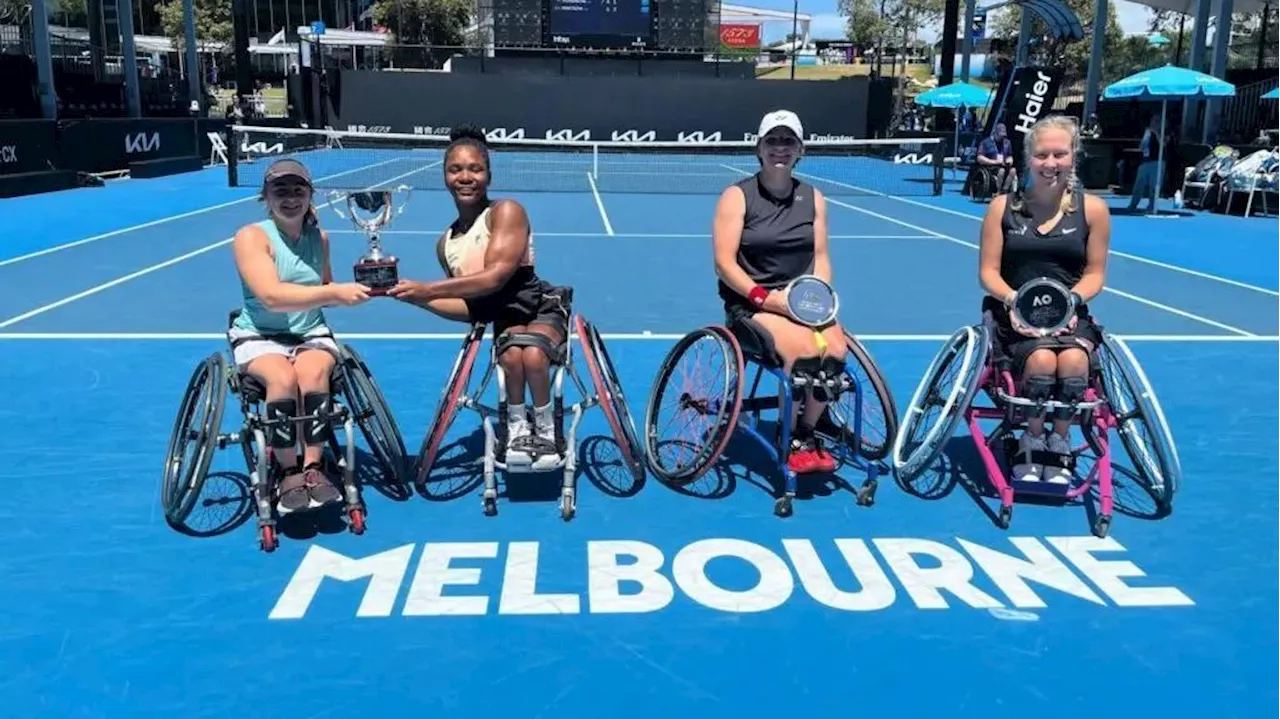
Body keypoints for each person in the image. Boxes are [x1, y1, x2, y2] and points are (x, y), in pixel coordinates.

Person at [388, 125, 573, 470]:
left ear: (488, 174)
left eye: (475, 168)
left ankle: (547, 428)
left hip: (539, 306)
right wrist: (408, 295)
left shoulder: (506, 211)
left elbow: (497, 275)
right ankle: (517, 426)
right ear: (445, 176)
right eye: (456, 169)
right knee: (512, 360)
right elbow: (471, 307)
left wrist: (427, 289)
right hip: (504, 317)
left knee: (533, 356)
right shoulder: (445, 245)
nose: (465, 177)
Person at [230, 158, 372, 513]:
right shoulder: (251, 236)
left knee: (312, 374)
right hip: (260, 334)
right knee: (281, 377)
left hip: (310, 331)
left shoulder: (318, 238)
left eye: (298, 190)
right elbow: (272, 296)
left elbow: (323, 288)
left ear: (311, 196)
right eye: (281, 190)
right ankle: (287, 468)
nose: (290, 198)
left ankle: (312, 466)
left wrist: (372, 284)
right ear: (266, 196)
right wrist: (336, 293)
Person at [977, 114, 1112, 484]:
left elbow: (1096, 274)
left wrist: (1070, 302)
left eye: (1060, 154)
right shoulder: (1002, 208)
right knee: (1039, 359)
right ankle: (1032, 437)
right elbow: (988, 273)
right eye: (1042, 155)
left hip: (1068, 314)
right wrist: (1014, 302)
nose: (1051, 163)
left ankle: (1061, 438)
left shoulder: (1094, 210)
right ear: (1028, 157)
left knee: (1072, 361)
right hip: (1014, 315)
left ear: (1073, 156)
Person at [712, 109, 846, 475]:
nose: (780, 148)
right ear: (759, 147)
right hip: (752, 305)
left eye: (788, 141)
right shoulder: (736, 196)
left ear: (800, 149)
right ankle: (791, 438)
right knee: (805, 356)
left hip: (802, 302)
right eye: (773, 140)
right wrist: (767, 300)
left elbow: (821, 257)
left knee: (835, 352)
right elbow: (724, 264)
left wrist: (819, 298)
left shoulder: (814, 197)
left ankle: (806, 429)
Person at [976, 122, 1017, 193]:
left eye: (1003, 136)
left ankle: (1005, 190)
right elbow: (979, 158)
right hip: (991, 166)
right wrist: (994, 162)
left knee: (1013, 170)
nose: (1002, 138)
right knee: (1001, 171)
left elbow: (1010, 155)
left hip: (1004, 164)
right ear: (995, 133)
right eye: (1000, 136)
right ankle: (997, 191)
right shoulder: (985, 142)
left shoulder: (1007, 143)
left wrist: (1010, 160)